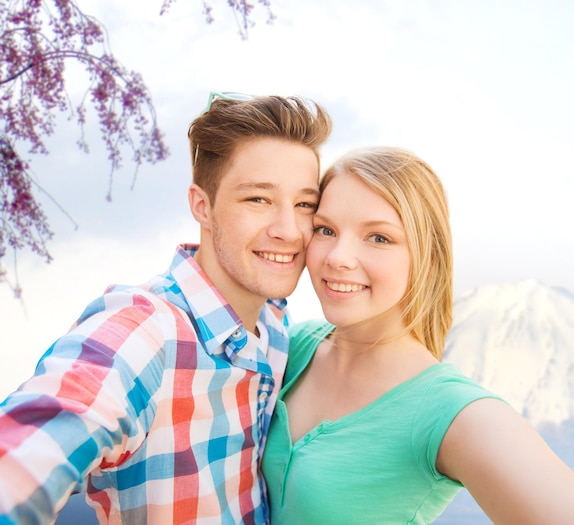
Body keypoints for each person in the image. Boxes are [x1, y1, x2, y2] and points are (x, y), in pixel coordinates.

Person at [0, 92, 332, 524]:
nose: (289, 231)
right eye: (258, 199)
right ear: (202, 206)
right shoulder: (147, 329)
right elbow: (31, 447)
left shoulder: (275, 326)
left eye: (304, 204)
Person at [261, 146, 574, 524]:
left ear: (427, 258)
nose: (338, 256)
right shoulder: (291, 346)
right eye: (326, 230)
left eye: (379, 238)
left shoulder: (448, 411)